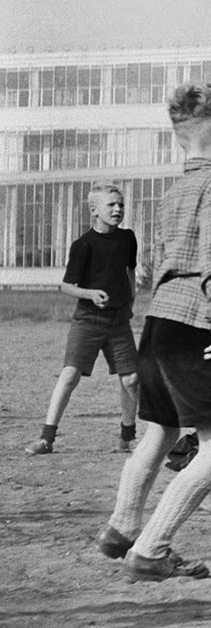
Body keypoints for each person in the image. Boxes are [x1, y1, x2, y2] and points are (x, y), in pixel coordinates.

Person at [96, 84, 211, 581]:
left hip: (160, 323)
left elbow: (163, 260)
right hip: (201, 323)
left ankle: (121, 527)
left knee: (160, 432)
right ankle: (152, 549)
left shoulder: (174, 190)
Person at [25, 184, 140, 457]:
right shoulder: (83, 244)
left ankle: (127, 437)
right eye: (111, 204)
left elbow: (129, 272)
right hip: (88, 320)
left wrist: (131, 299)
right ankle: (46, 438)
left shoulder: (128, 238)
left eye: (121, 204)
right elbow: (66, 286)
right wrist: (90, 294)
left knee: (132, 379)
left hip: (118, 321)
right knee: (70, 375)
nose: (118, 209)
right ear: (93, 211)